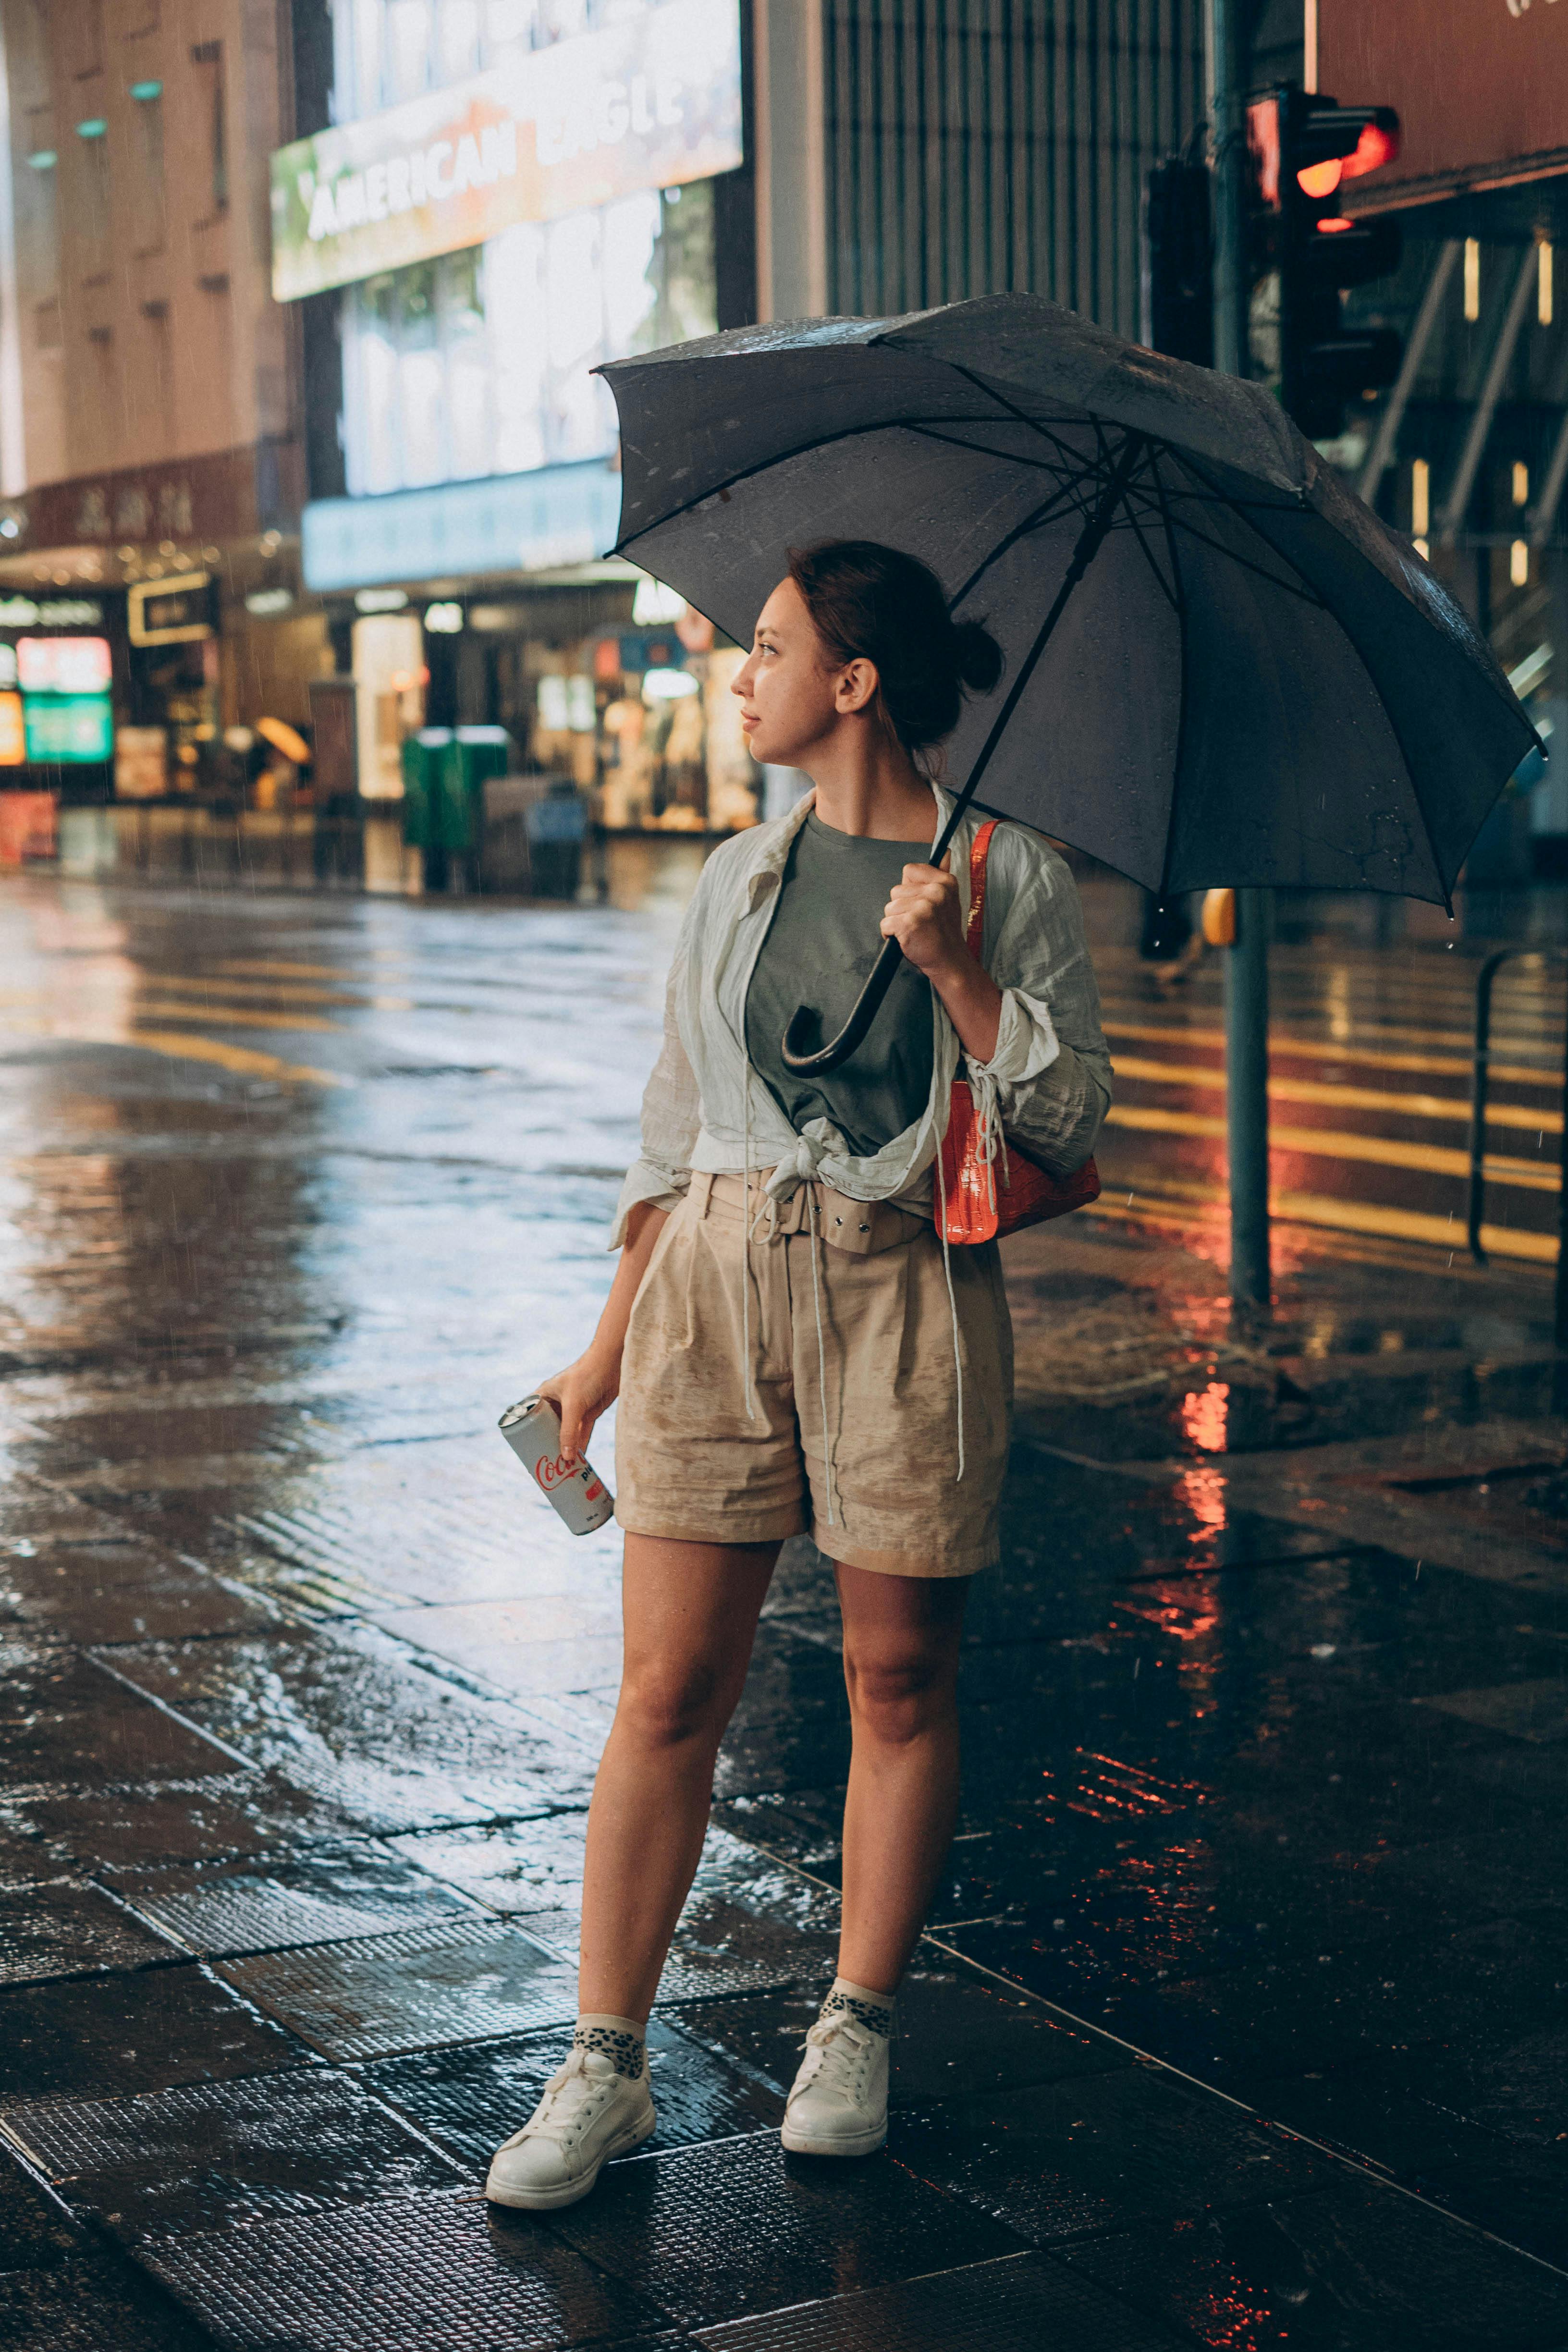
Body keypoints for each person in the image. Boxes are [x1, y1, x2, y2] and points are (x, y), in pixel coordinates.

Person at [485, 541, 1112, 2211]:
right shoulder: (736, 878)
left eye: (764, 649)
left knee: (897, 1681)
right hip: (711, 1288)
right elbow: (671, 1137)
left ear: (855, 681)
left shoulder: (1006, 872)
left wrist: (964, 971)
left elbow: (1068, 1127)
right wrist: (600, 1363)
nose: (737, 675)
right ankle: (603, 2062)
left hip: (902, 1294)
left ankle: (855, 2023)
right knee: (666, 1692)